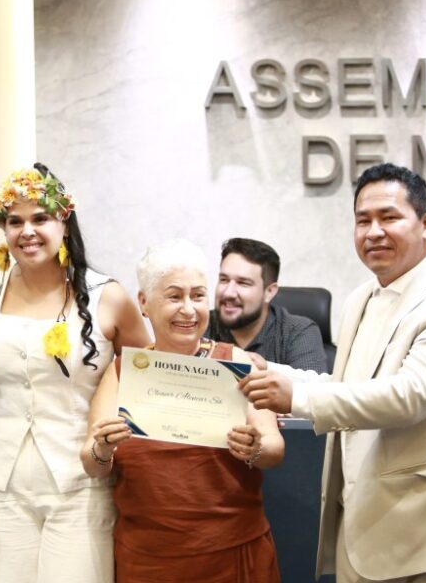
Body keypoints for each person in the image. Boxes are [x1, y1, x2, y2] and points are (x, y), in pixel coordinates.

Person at [241, 163, 426, 582]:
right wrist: (266, 370)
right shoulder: (361, 298)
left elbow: (410, 396)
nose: (373, 232)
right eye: (363, 221)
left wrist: (297, 397)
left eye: (389, 217)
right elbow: (348, 389)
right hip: (362, 534)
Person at [0, 164, 149, 583]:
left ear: (64, 223)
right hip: (0, 481)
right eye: (15, 222)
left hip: (81, 481)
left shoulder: (107, 296)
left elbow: (143, 372)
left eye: (40, 218)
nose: (27, 231)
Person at [85, 239, 284, 583]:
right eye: (175, 297)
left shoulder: (235, 363)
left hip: (232, 553)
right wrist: (102, 448)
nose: (189, 310)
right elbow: (92, 462)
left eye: (198, 296)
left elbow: (274, 449)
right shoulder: (123, 372)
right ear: (144, 302)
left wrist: (255, 448)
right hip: (147, 560)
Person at [207, 237, 327, 372]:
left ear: (269, 292)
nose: (228, 293)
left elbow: (312, 384)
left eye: (243, 283)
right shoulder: (200, 324)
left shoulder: (297, 332)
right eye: (224, 280)